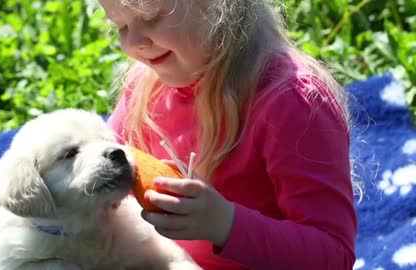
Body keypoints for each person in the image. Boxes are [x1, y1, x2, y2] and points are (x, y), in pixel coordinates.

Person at [100, 0, 357, 269]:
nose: (134, 42)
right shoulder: (146, 86)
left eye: (151, 18)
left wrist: (224, 224)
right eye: (121, 26)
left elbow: (334, 254)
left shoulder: (290, 100)